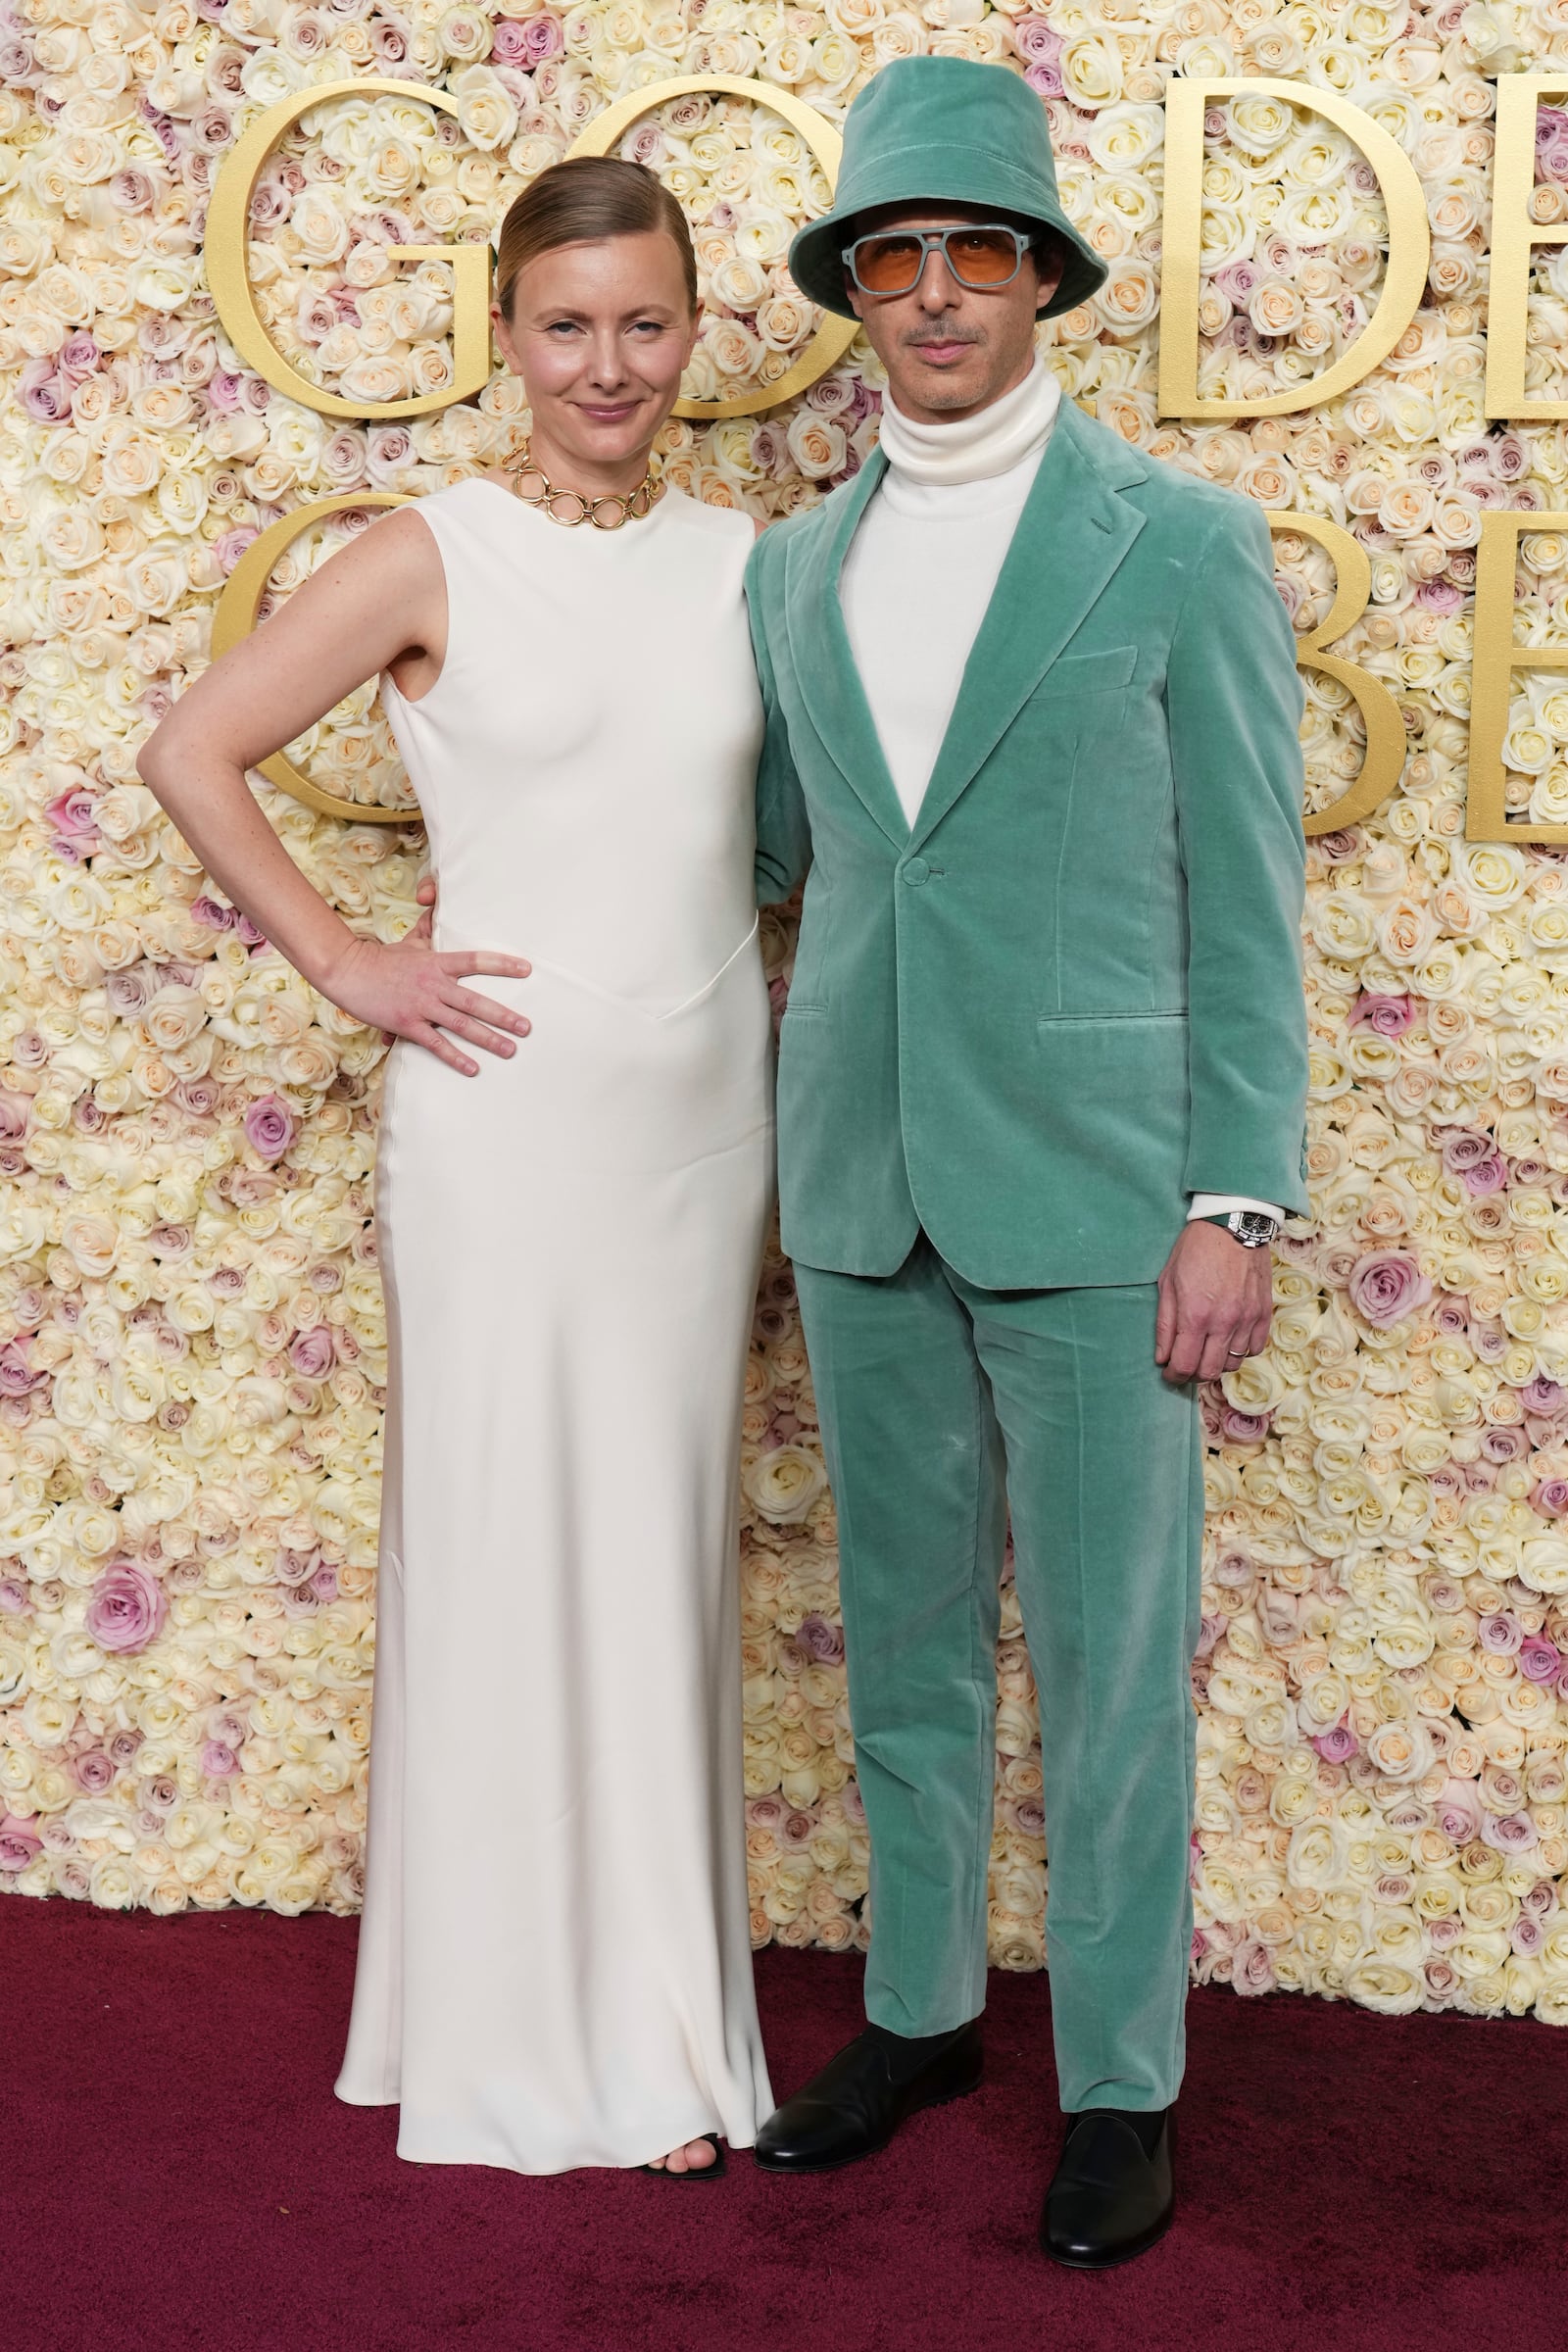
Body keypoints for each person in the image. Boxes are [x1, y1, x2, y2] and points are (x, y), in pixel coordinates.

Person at [139, 157, 774, 2178]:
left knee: (654, 1563)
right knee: (508, 1554)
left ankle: (659, 2030)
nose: (608, 363)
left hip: (700, 1133)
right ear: (505, 334)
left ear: (693, 330)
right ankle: (514, 2046)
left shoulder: (748, 559)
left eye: (645, 321)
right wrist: (347, 960)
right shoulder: (427, 553)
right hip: (501, 1140)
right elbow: (190, 750)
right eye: (566, 324)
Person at [744, 57, 1308, 2267]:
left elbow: (1246, 895)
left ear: (1041, 277)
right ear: (860, 296)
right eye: (898, 259)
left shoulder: (1173, 545)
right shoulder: (794, 570)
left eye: (980, 253)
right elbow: (790, 856)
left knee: (1100, 1654)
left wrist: (1225, 1193)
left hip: (1095, 1192)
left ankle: (1115, 2083)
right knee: (896, 1639)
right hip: (860, 1178)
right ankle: (911, 2015)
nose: (938, 294)